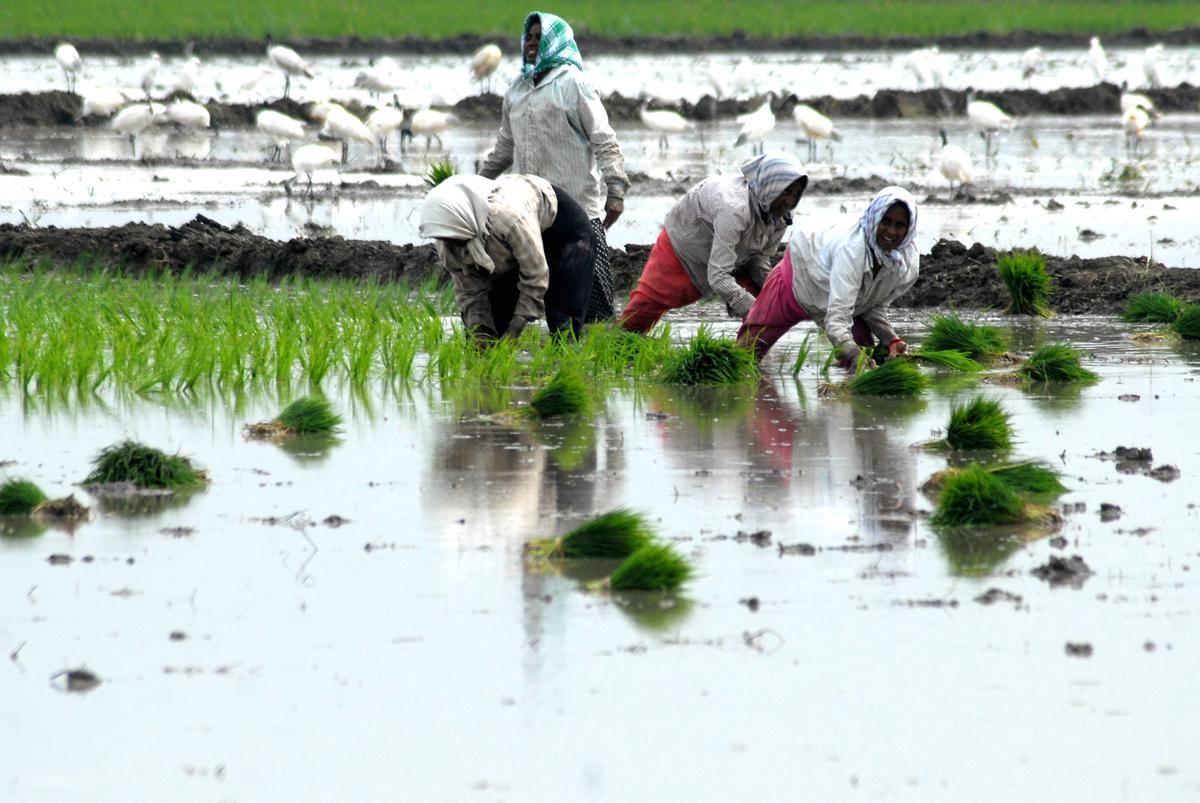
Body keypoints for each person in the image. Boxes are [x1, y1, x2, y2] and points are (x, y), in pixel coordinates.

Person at [478, 11, 629, 324]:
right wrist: (473, 187)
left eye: (539, 38)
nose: (532, 44)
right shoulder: (517, 90)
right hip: (527, 212)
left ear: (556, 43)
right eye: (529, 38)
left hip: (577, 213)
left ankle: (594, 352)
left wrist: (615, 190)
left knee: (591, 307)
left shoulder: (574, 84)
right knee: (512, 296)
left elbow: (604, 139)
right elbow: (504, 149)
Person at [618, 152, 808, 333]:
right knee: (646, 306)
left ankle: (748, 350)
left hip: (736, 251)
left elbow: (760, 258)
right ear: (770, 185)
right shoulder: (734, 209)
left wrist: (781, 296)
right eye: (786, 191)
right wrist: (753, 310)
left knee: (765, 297)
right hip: (685, 244)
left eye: (796, 194)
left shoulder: (782, 216)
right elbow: (718, 275)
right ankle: (620, 341)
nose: (790, 201)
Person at [735, 187, 920, 364]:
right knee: (747, 352)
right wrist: (854, 354)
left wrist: (891, 339)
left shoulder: (905, 266)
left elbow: (872, 304)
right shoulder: (852, 250)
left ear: (909, 228)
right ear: (874, 219)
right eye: (885, 222)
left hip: (842, 303)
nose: (891, 231)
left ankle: (848, 382)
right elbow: (837, 320)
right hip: (797, 282)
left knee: (864, 352)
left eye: (900, 225)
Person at [419, 174, 594, 345]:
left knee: (563, 320)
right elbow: (470, 292)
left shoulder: (509, 220)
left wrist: (516, 327)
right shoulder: (447, 241)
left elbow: (536, 277)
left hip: (561, 230)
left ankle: (564, 358)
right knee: (493, 327)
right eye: (443, 238)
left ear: (464, 222)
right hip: (511, 245)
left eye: (453, 238)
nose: (450, 243)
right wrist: (479, 331)